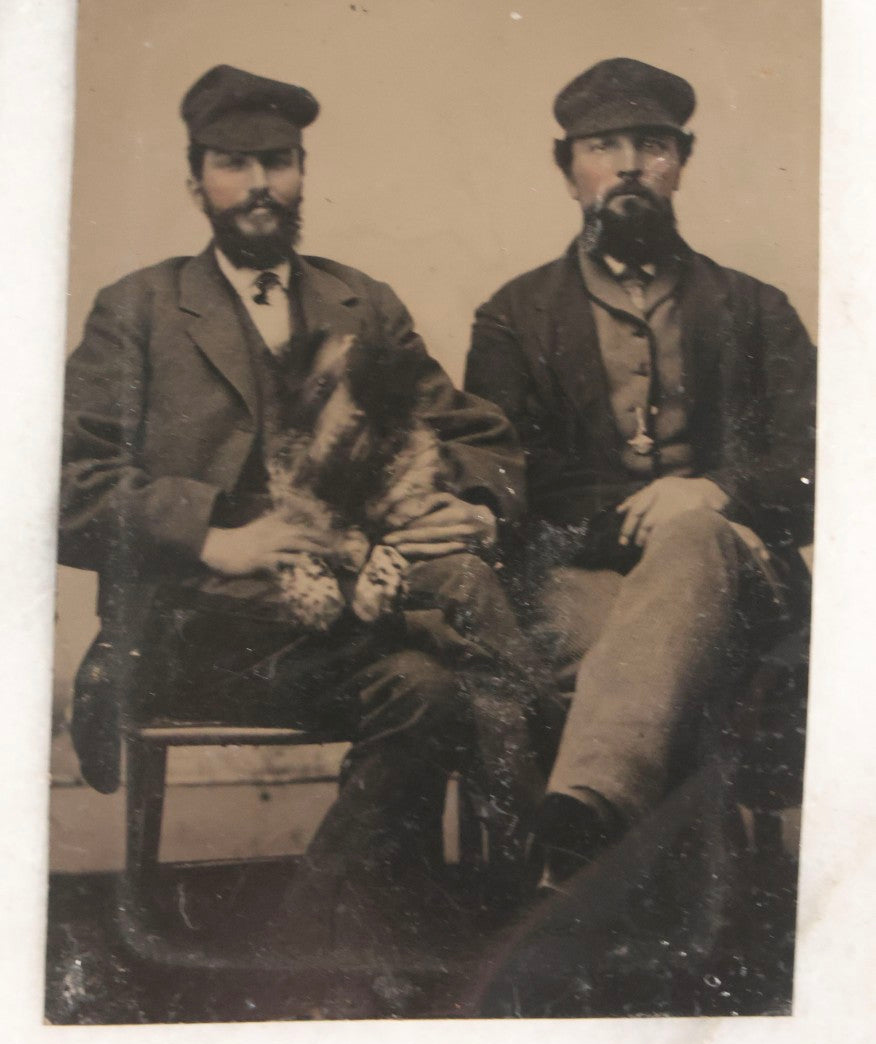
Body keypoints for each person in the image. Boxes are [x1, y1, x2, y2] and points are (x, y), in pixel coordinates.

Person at [60, 64, 538, 954]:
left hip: (346, 628)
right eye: (234, 164)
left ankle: (308, 935)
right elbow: (67, 484)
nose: (259, 186)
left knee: (430, 694)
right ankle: (534, 848)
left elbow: (474, 432)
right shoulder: (137, 312)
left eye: (277, 162)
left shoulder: (363, 302)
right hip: (199, 633)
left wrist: (470, 504)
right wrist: (215, 537)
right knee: (468, 639)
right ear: (195, 178)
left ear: (303, 171)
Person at [464, 58, 815, 891]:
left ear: (681, 163)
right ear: (568, 170)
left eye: (651, 145)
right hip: (581, 574)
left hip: (741, 575)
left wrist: (716, 492)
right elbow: (507, 470)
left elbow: (825, 457)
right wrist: (630, 515)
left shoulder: (756, 309)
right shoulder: (513, 317)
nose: (628, 165)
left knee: (692, 535)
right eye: (603, 146)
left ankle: (583, 816)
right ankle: (668, 892)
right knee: (622, 648)